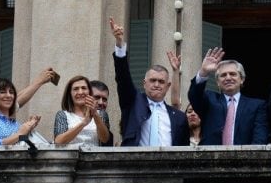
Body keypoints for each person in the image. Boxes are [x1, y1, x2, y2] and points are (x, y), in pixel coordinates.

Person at [109, 17, 190, 146]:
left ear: (168, 86)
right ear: (144, 83)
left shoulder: (179, 117)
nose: (157, 85)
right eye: (152, 80)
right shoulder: (132, 103)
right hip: (135, 164)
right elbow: (122, 78)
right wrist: (119, 44)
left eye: (161, 82)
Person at [188, 47, 268, 145]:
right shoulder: (210, 99)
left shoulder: (256, 106)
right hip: (211, 158)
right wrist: (203, 72)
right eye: (223, 75)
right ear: (217, 82)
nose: (228, 78)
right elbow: (194, 95)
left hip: (245, 158)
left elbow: (259, 138)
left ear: (242, 79)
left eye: (233, 74)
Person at [0, 78, 42, 147]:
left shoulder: (14, 123)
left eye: (11, 92)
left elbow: (20, 142)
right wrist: (20, 133)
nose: (9, 95)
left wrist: (29, 128)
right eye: (3, 92)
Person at [53, 75, 111, 146]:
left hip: (94, 156)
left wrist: (95, 114)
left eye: (84, 88)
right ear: (70, 93)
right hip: (70, 156)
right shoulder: (62, 114)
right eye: (76, 89)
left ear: (89, 92)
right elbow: (58, 142)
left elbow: (105, 139)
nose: (80, 92)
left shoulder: (101, 114)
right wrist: (84, 123)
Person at [90, 80, 114, 146]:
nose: (101, 102)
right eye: (96, 97)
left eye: (104, 99)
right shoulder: (71, 118)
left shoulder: (103, 116)